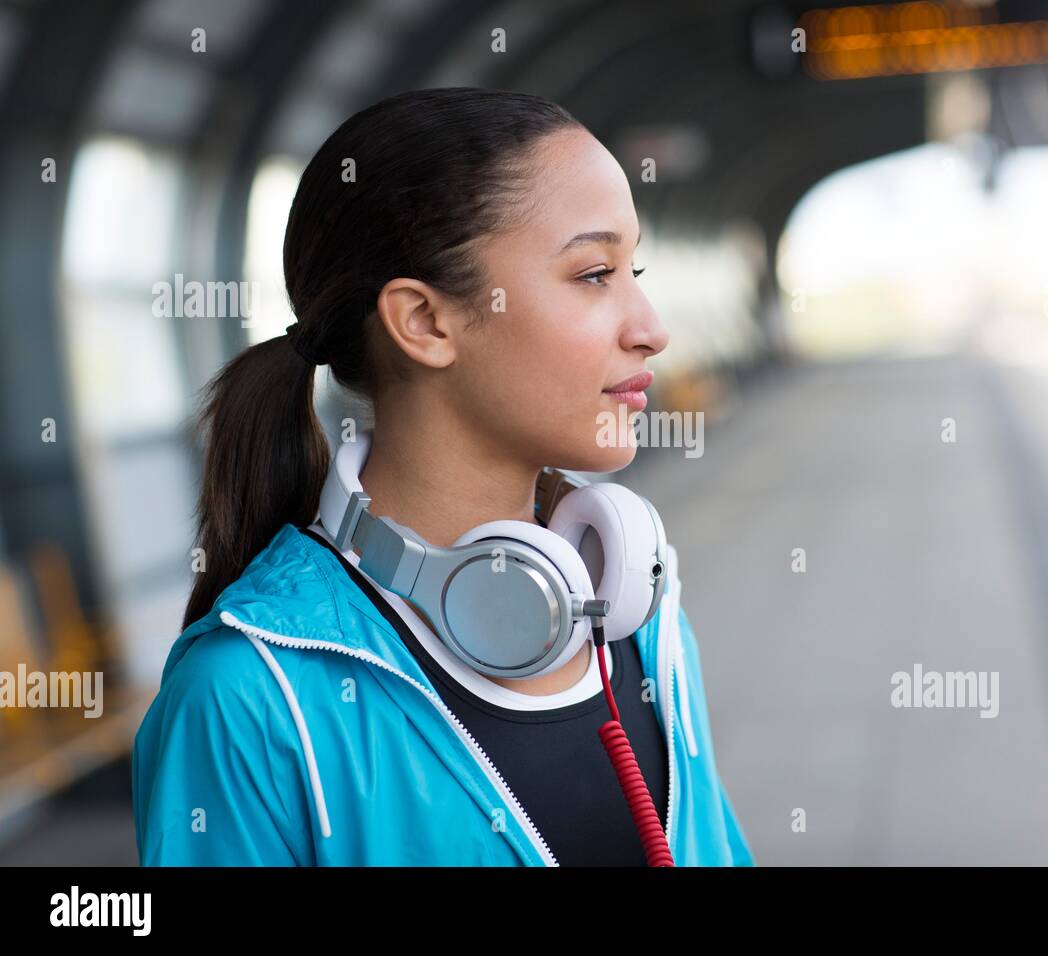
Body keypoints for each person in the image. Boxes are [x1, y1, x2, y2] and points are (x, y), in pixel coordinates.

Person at [131, 87, 754, 867]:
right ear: (424, 322)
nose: (652, 328)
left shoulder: (640, 615)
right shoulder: (251, 696)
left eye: (636, 268)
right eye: (595, 273)